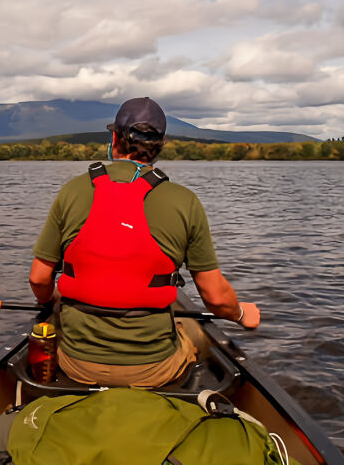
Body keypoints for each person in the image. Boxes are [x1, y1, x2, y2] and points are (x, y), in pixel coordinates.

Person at [29, 97, 260, 388]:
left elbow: (39, 278)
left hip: (77, 364)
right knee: (194, 335)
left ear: (114, 139)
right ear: (160, 145)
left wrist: (47, 304)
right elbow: (215, 298)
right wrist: (241, 314)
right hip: (154, 368)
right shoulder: (185, 201)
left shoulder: (72, 191)